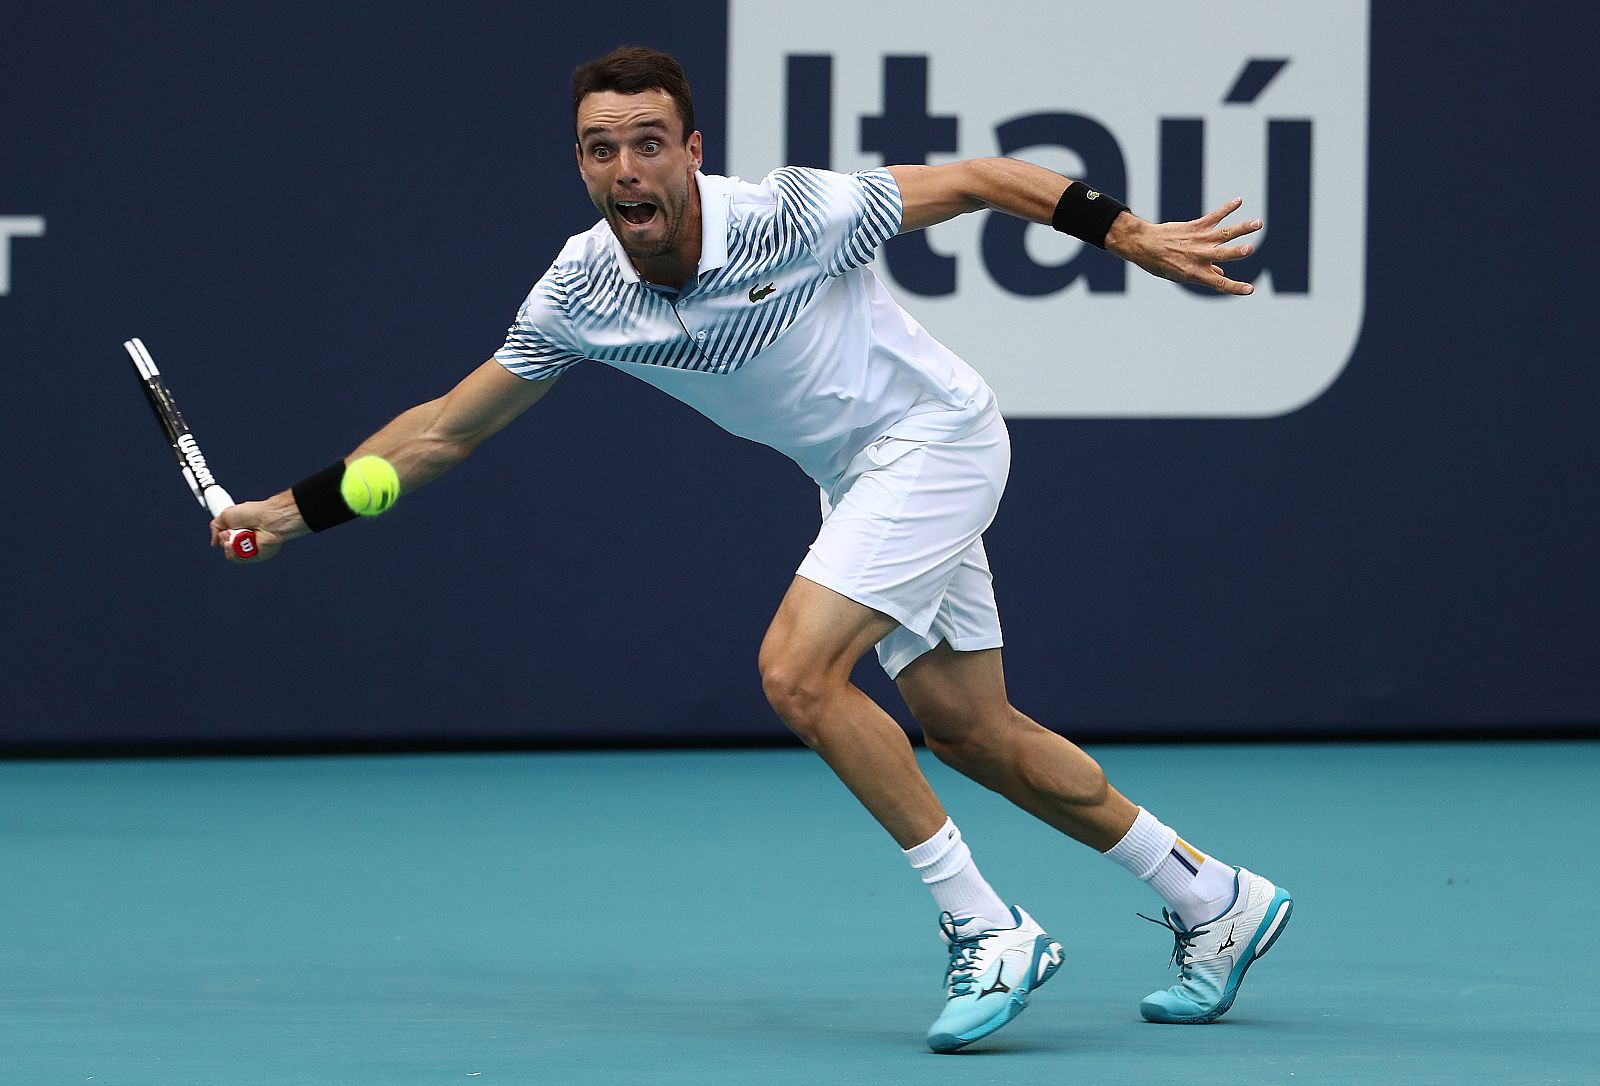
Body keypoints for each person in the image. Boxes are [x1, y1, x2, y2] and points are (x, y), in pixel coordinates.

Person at [214, 45, 1293, 1052]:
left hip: (936, 441)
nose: (626, 167)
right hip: (858, 480)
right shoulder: (582, 290)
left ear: (692, 152)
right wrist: (287, 511)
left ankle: (987, 927)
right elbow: (444, 428)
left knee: (797, 670)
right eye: (601, 148)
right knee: (971, 734)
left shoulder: (789, 214)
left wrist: (1129, 235)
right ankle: (1212, 897)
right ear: (581, 167)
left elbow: (980, 179)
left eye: (649, 142)